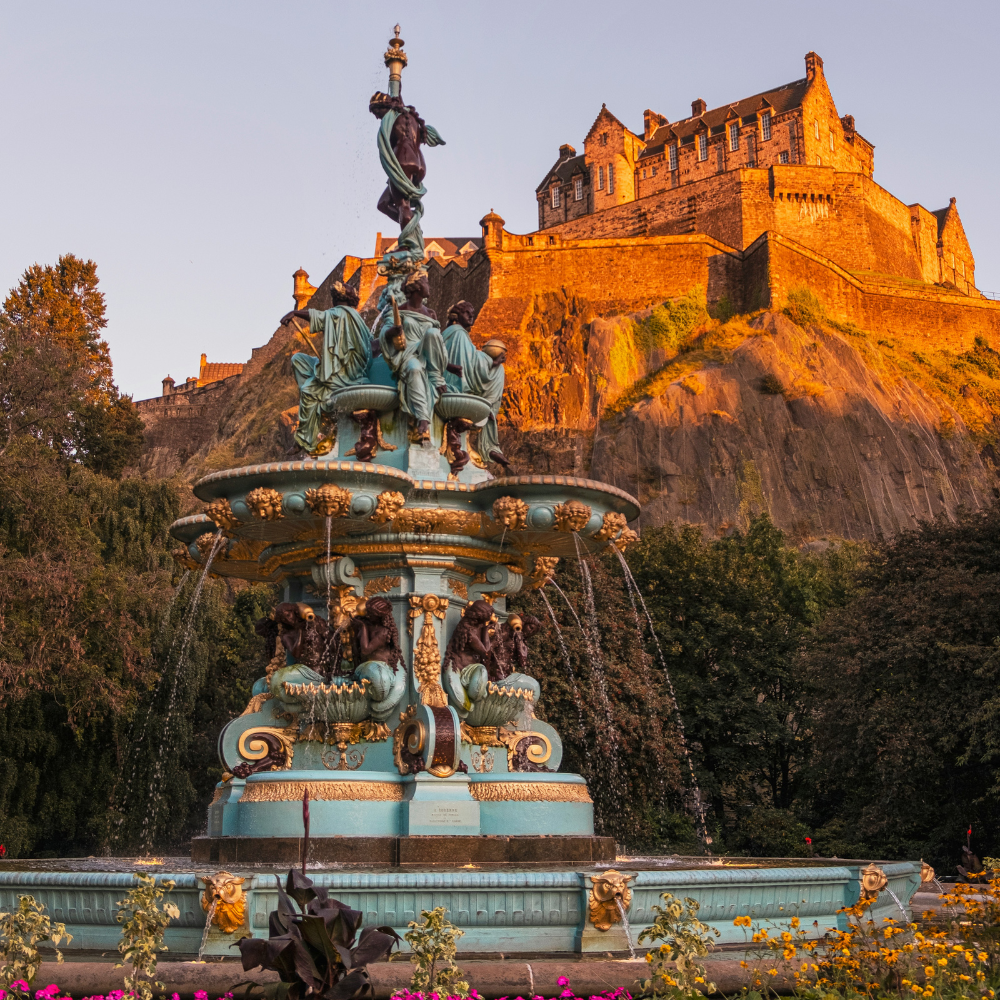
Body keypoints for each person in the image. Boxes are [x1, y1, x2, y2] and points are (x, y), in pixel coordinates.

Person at [281, 281, 372, 454]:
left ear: (338, 299)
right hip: (338, 368)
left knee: (308, 392)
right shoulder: (357, 317)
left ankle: (305, 440)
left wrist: (295, 312)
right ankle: (318, 389)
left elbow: (319, 317)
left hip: (344, 373)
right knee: (299, 359)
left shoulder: (340, 313)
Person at [379, 272, 453, 441]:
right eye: (427, 283)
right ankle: (423, 419)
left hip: (429, 356)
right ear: (417, 287)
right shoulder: (400, 310)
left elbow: (438, 342)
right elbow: (385, 331)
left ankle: (435, 375)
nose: (430, 287)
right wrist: (393, 331)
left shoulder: (432, 314)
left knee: (433, 332)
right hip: (408, 354)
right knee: (414, 368)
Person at [440, 300, 510, 468]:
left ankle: (490, 445)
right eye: (467, 313)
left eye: (472, 314)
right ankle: (489, 445)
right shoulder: (457, 333)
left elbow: (470, 358)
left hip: (457, 380)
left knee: (498, 372)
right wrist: (492, 362)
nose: (471, 317)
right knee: (498, 371)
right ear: (456, 315)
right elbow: (469, 362)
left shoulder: (455, 334)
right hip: (454, 382)